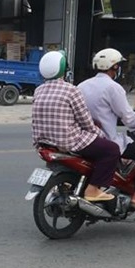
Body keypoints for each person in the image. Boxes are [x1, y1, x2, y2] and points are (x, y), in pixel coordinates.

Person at [32, 50, 120, 202]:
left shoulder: (38, 90)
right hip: (69, 141)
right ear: (63, 70)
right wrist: (101, 134)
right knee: (111, 149)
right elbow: (85, 121)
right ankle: (93, 190)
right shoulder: (71, 90)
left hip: (44, 143)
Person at [78, 48, 135, 211]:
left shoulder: (82, 85)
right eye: (119, 65)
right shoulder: (113, 88)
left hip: (86, 138)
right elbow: (129, 119)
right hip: (107, 139)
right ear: (114, 67)